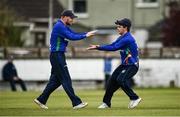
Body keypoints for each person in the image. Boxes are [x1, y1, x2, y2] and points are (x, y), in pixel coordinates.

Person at [34, 10, 97, 110]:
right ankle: (76, 103)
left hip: (57, 55)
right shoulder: (59, 26)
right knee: (66, 79)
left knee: (56, 80)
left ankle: (41, 99)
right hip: (57, 55)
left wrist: (86, 33)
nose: (73, 20)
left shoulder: (63, 26)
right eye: (71, 18)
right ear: (64, 17)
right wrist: (85, 35)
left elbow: (74, 33)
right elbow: (72, 37)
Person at [87, 18, 142, 109]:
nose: (117, 28)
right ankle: (106, 103)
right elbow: (112, 45)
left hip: (132, 65)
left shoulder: (127, 38)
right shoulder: (122, 37)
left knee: (120, 80)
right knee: (111, 81)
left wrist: (98, 47)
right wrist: (98, 46)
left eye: (119, 27)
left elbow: (114, 48)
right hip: (125, 65)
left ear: (125, 28)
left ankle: (135, 98)